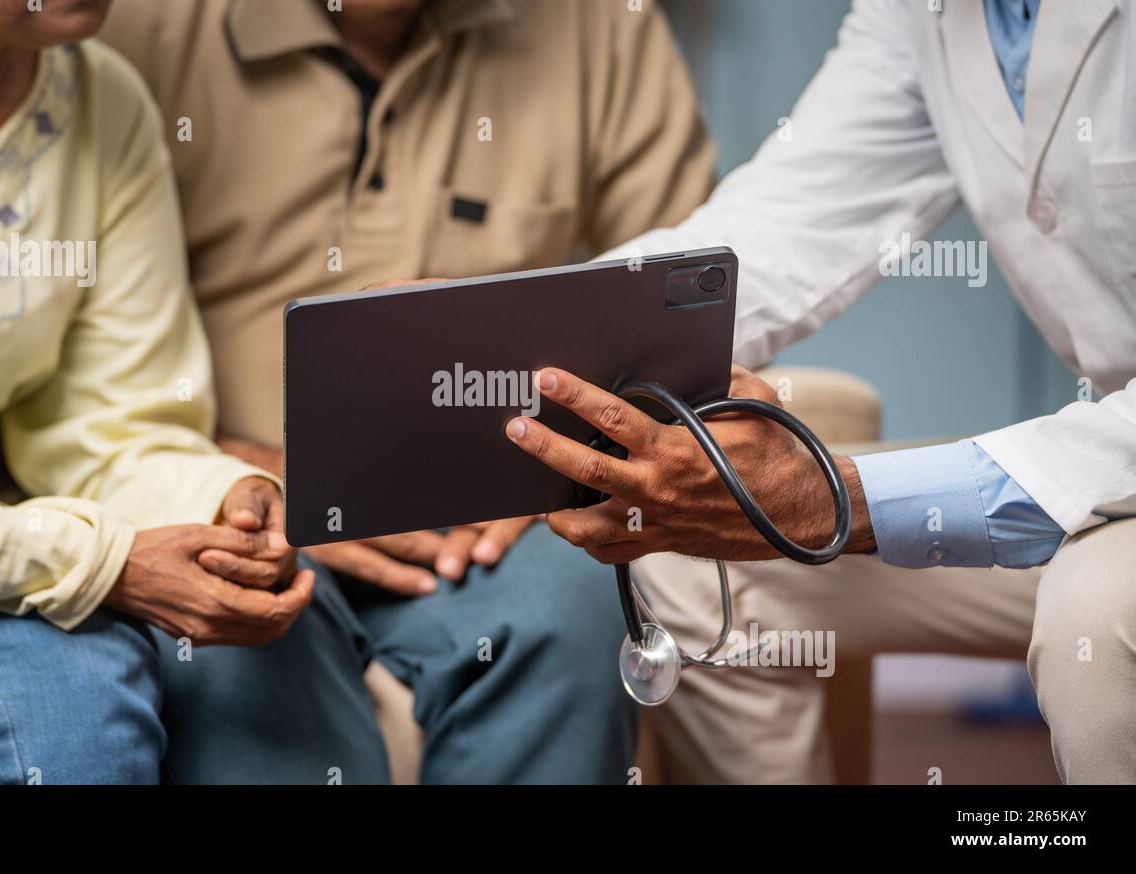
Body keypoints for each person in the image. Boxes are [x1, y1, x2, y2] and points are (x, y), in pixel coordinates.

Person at [505, 0, 1136, 783]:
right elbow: (782, 227)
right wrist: (505, 354)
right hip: (1101, 476)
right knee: (687, 556)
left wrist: (841, 496)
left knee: (1100, 606)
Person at [98, 0, 714, 782]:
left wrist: (552, 464)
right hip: (221, 482)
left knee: (566, 616)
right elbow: (44, 366)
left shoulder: (602, 27)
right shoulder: (127, 31)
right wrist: (225, 466)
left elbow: (686, 308)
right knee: (235, 634)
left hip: (485, 513)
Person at [0, 0, 310, 784]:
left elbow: (110, 424)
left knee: (86, 712)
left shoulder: (106, 102)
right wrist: (97, 557)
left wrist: (225, 499)